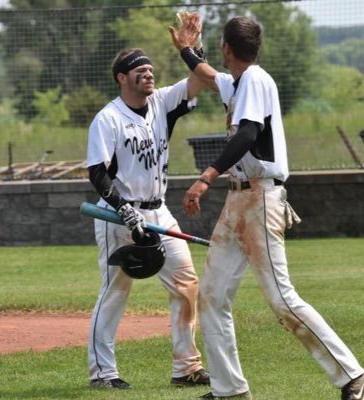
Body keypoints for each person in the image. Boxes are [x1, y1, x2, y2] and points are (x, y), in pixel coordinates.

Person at [169, 14, 364, 400]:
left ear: (228, 48)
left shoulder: (255, 81)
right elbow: (211, 76)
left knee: (282, 299)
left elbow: (248, 133)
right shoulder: (241, 80)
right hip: (239, 199)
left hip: (260, 198)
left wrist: (205, 176)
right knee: (212, 295)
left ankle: (354, 376)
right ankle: (229, 389)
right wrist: (186, 50)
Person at [85, 15, 211, 390]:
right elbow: (98, 172)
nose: (147, 74)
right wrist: (124, 212)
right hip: (117, 214)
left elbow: (202, 80)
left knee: (187, 283)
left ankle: (186, 367)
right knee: (115, 291)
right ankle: (102, 373)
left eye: (150, 69)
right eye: (138, 70)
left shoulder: (162, 102)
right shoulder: (108, 119)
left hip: (158, 210)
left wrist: (191, 50)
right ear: (121, 78)